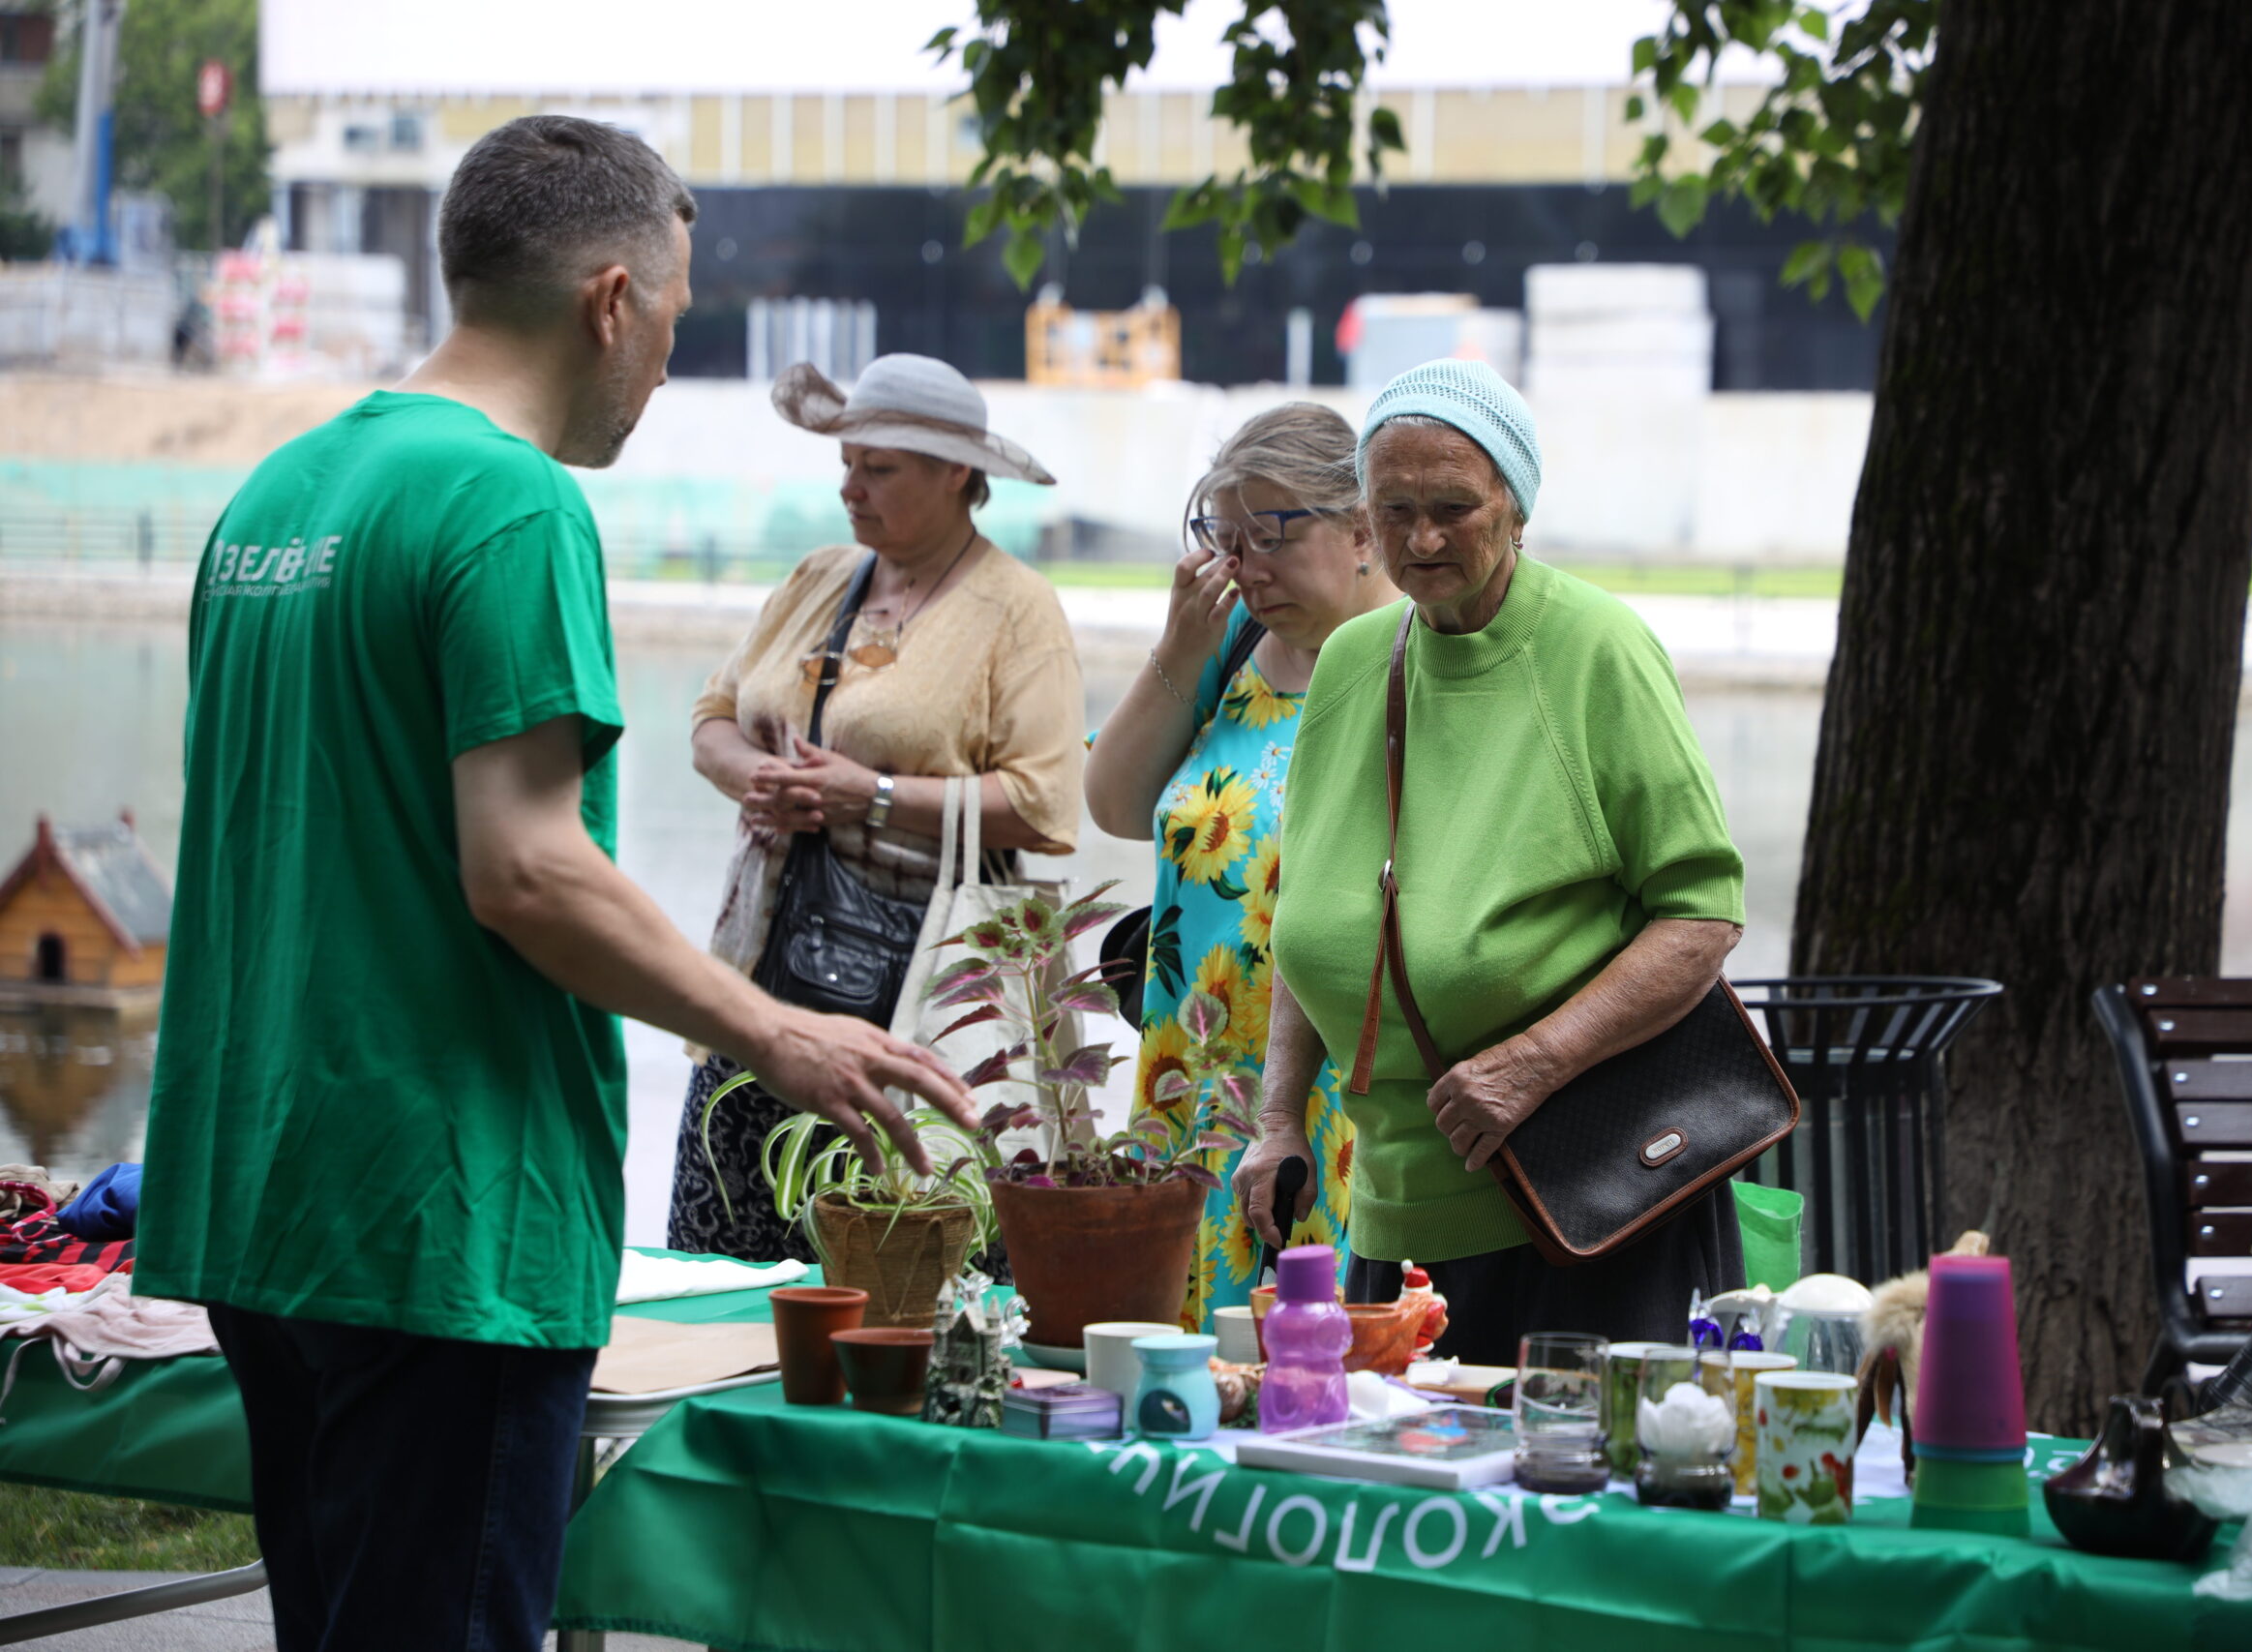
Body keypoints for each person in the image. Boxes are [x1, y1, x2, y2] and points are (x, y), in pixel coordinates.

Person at [135, 117, 973, 1652]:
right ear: (609, 300)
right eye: (671, 320)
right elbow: (525, 866)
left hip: (263, 1200)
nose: (663, 364)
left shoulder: (276, 497)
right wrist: (777, 1031)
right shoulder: (512, 506)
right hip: (436, 1219)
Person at [1236, 359, 1749, 1365]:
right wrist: (1277, 1117)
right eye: (1395, 510)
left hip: (1584, 1202)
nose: (1422, 539)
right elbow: (1319, 912)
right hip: (1392, 1206)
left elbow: (1700, 915)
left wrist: (1530, 1065)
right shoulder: (1353, 662)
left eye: (1454, 508)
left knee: (1561, 1500)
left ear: (1515, 508)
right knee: (1403, 1496)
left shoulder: (1596, 649)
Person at [670, 353, 1084, 1259]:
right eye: (847, 463)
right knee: (724, 1257)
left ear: (957, 475)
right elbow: (709, 719)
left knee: (887, 1263)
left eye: (879, 469)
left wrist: (873, 794)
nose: (851, 487)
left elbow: (1046, 803)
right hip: (763, 965)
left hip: (923, 983)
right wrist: (756, 777)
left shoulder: (1018, 610)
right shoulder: (819, 576)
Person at [1086, 404, 1396, 1329]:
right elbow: (1110, 804)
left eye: (1271, 537)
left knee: (1318, 1366)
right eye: (1227, 541)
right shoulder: (1230, 652)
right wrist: (1179, 647)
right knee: (1182, 1365)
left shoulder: (1413, 663)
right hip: (1191, 1077)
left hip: (1338, 1101)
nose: (1247, 570)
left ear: (1363, 529)